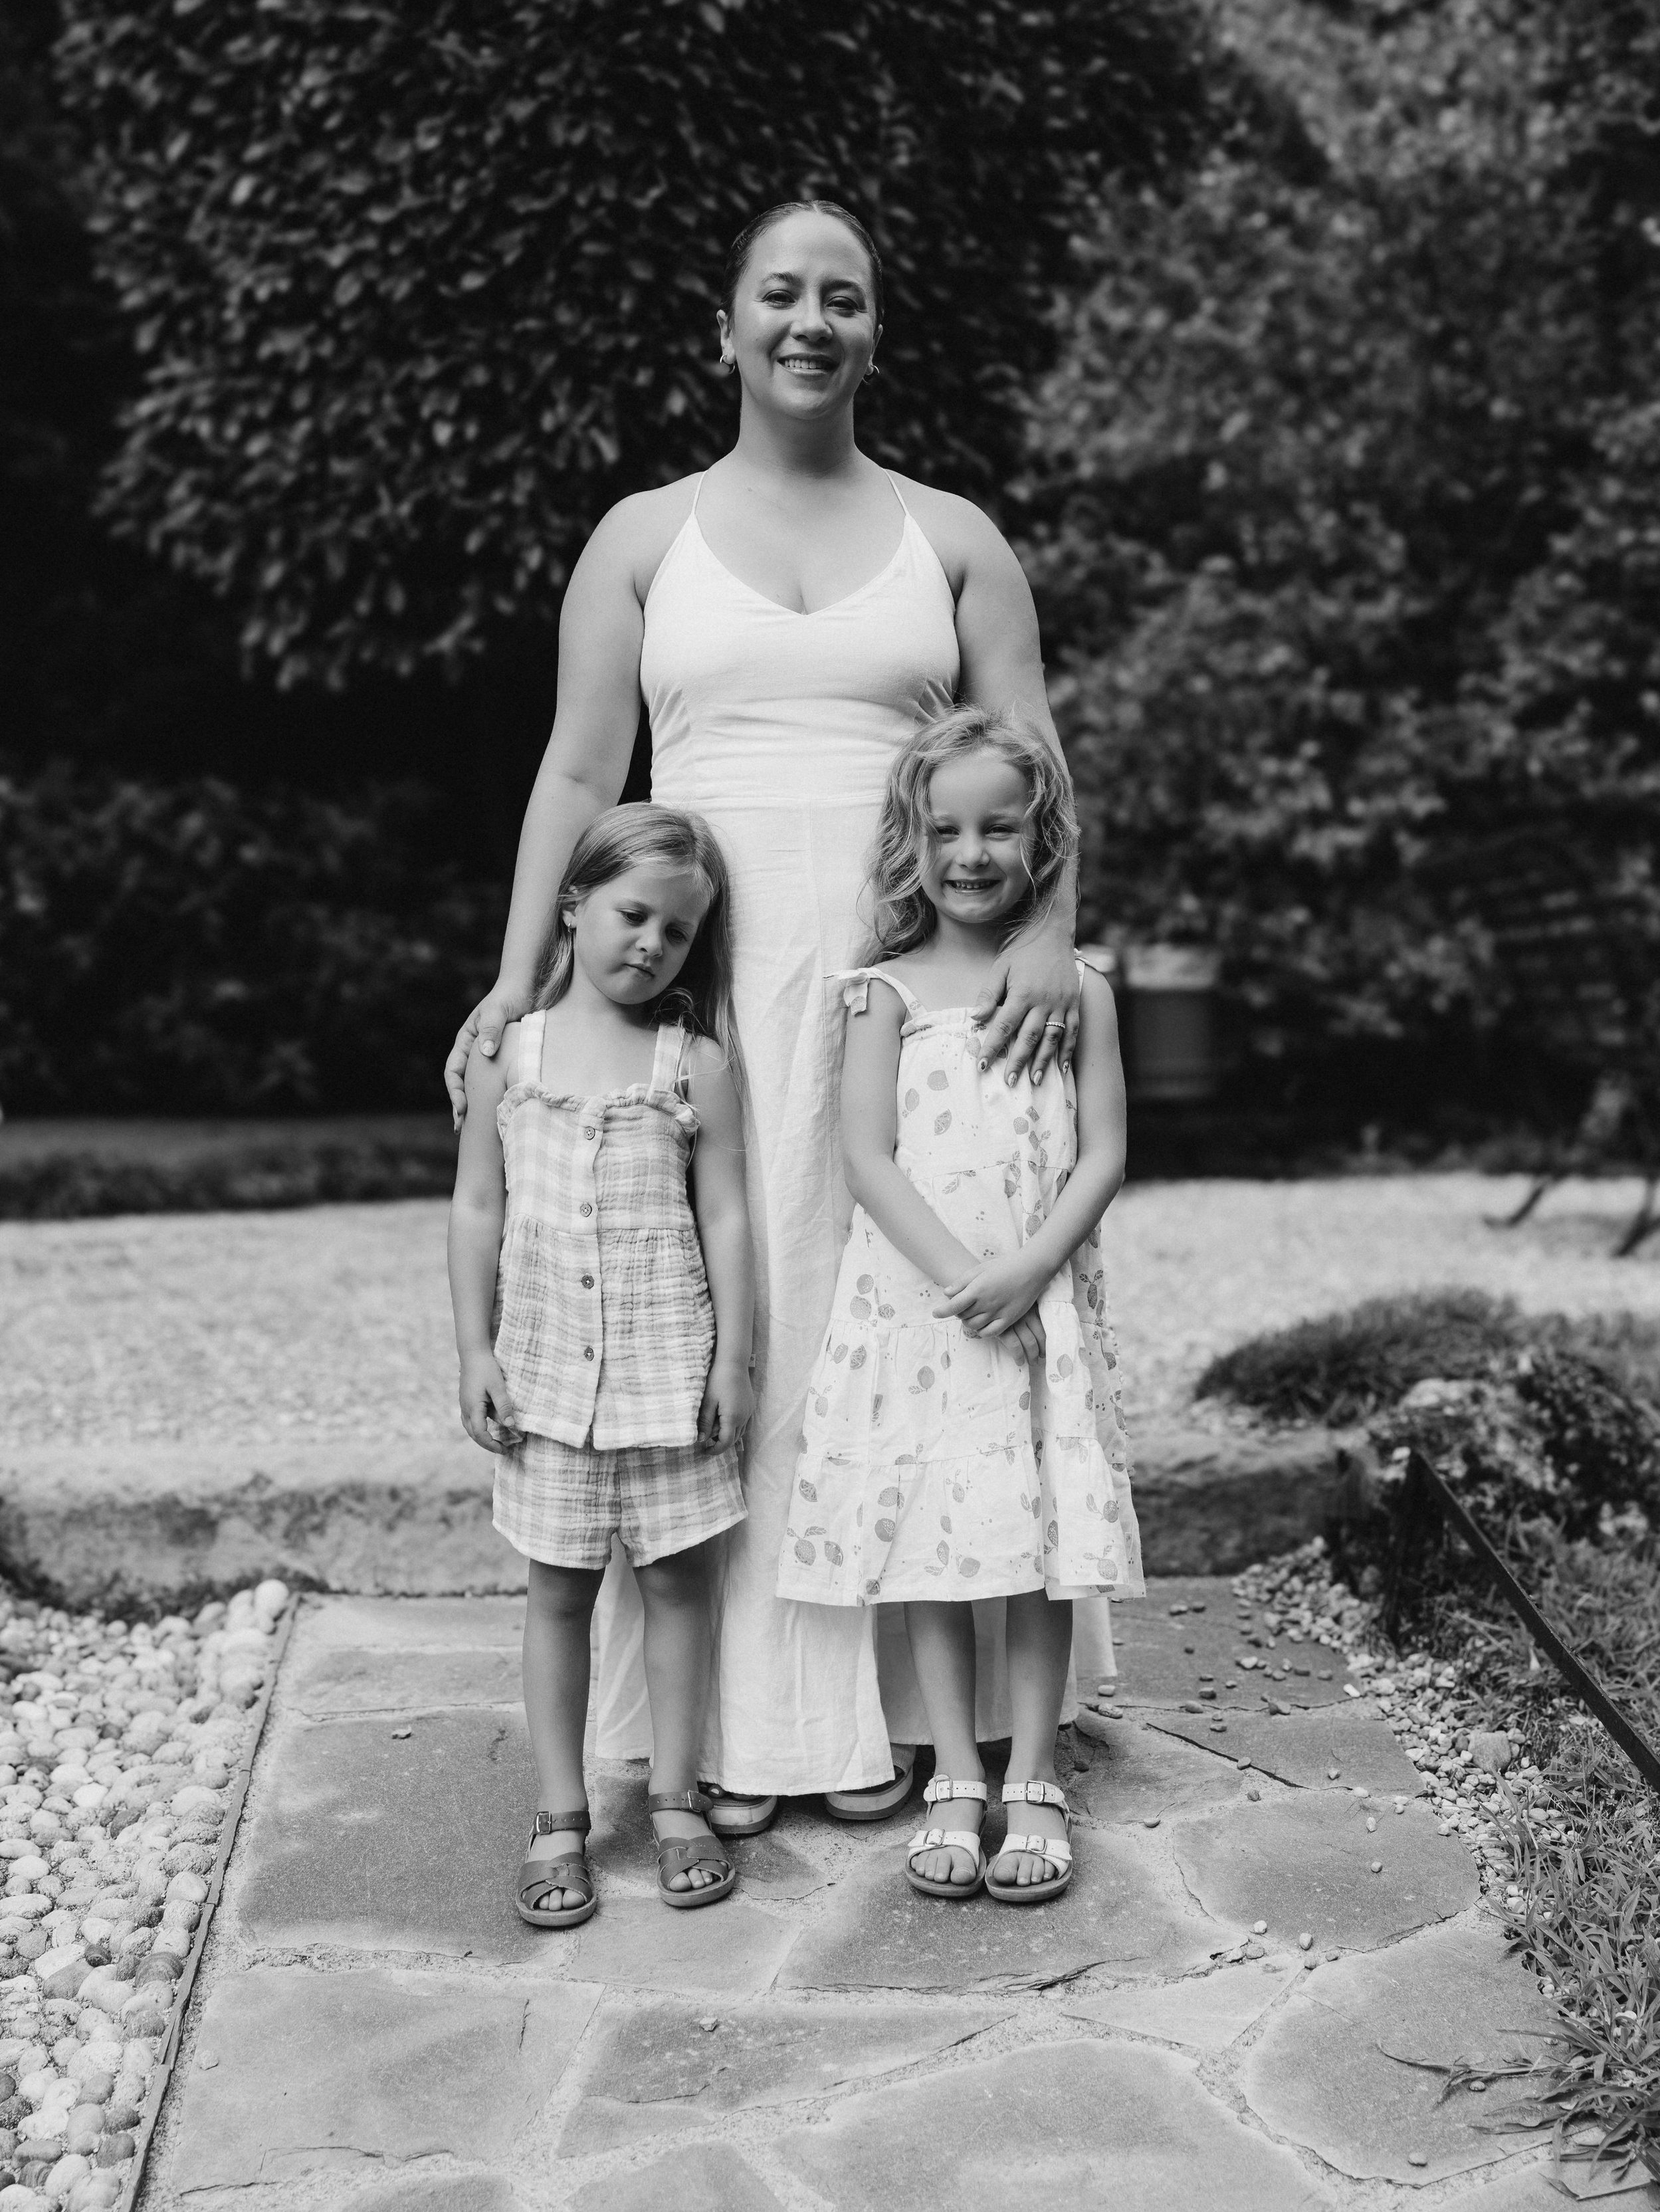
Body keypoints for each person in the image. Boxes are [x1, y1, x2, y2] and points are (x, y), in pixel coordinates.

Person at [443, 197, 1086, 1827]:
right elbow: (578, 772)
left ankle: (923, 1724)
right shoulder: (641, 539)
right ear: (723, 328)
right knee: (737, 1320)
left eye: (843, 298)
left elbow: (1035, 764)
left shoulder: (954, 538)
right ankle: (736, 1733)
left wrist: (1044, 941)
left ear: (875, 333)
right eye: (781, 294)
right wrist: (519, 979)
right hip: (714, 987)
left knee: (903, 1321)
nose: (811, 322)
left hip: (910, 997)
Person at [779, 709, 1142, 1902]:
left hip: (1039, 1307)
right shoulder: (878, 992)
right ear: (913, 839)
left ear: (1044, 839)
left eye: (999, 827)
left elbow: (1103, 1154)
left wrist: (1029, 1270)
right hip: (922, 1315)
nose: (971, 853)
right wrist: (962, 1280)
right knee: (931, 1545)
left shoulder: (1081, 989)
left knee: (1037, 1548)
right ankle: (951, 1769)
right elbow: (867, 1156)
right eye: (945, 830)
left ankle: (1031, 1771)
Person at [447, 804, 755, 1925]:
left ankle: (674, 1796)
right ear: (572, 905)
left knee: (678, 1585)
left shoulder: (695, 1063)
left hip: (668, 1373)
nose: (652, 944)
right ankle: (559, 1812)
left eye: (678, 932)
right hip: (543, 1381)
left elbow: (726, 1216)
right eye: (633, 915)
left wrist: (735, 1360)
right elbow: (477, 1207)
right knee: (558, 1594)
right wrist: (474, 1348)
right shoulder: (509, 1055)